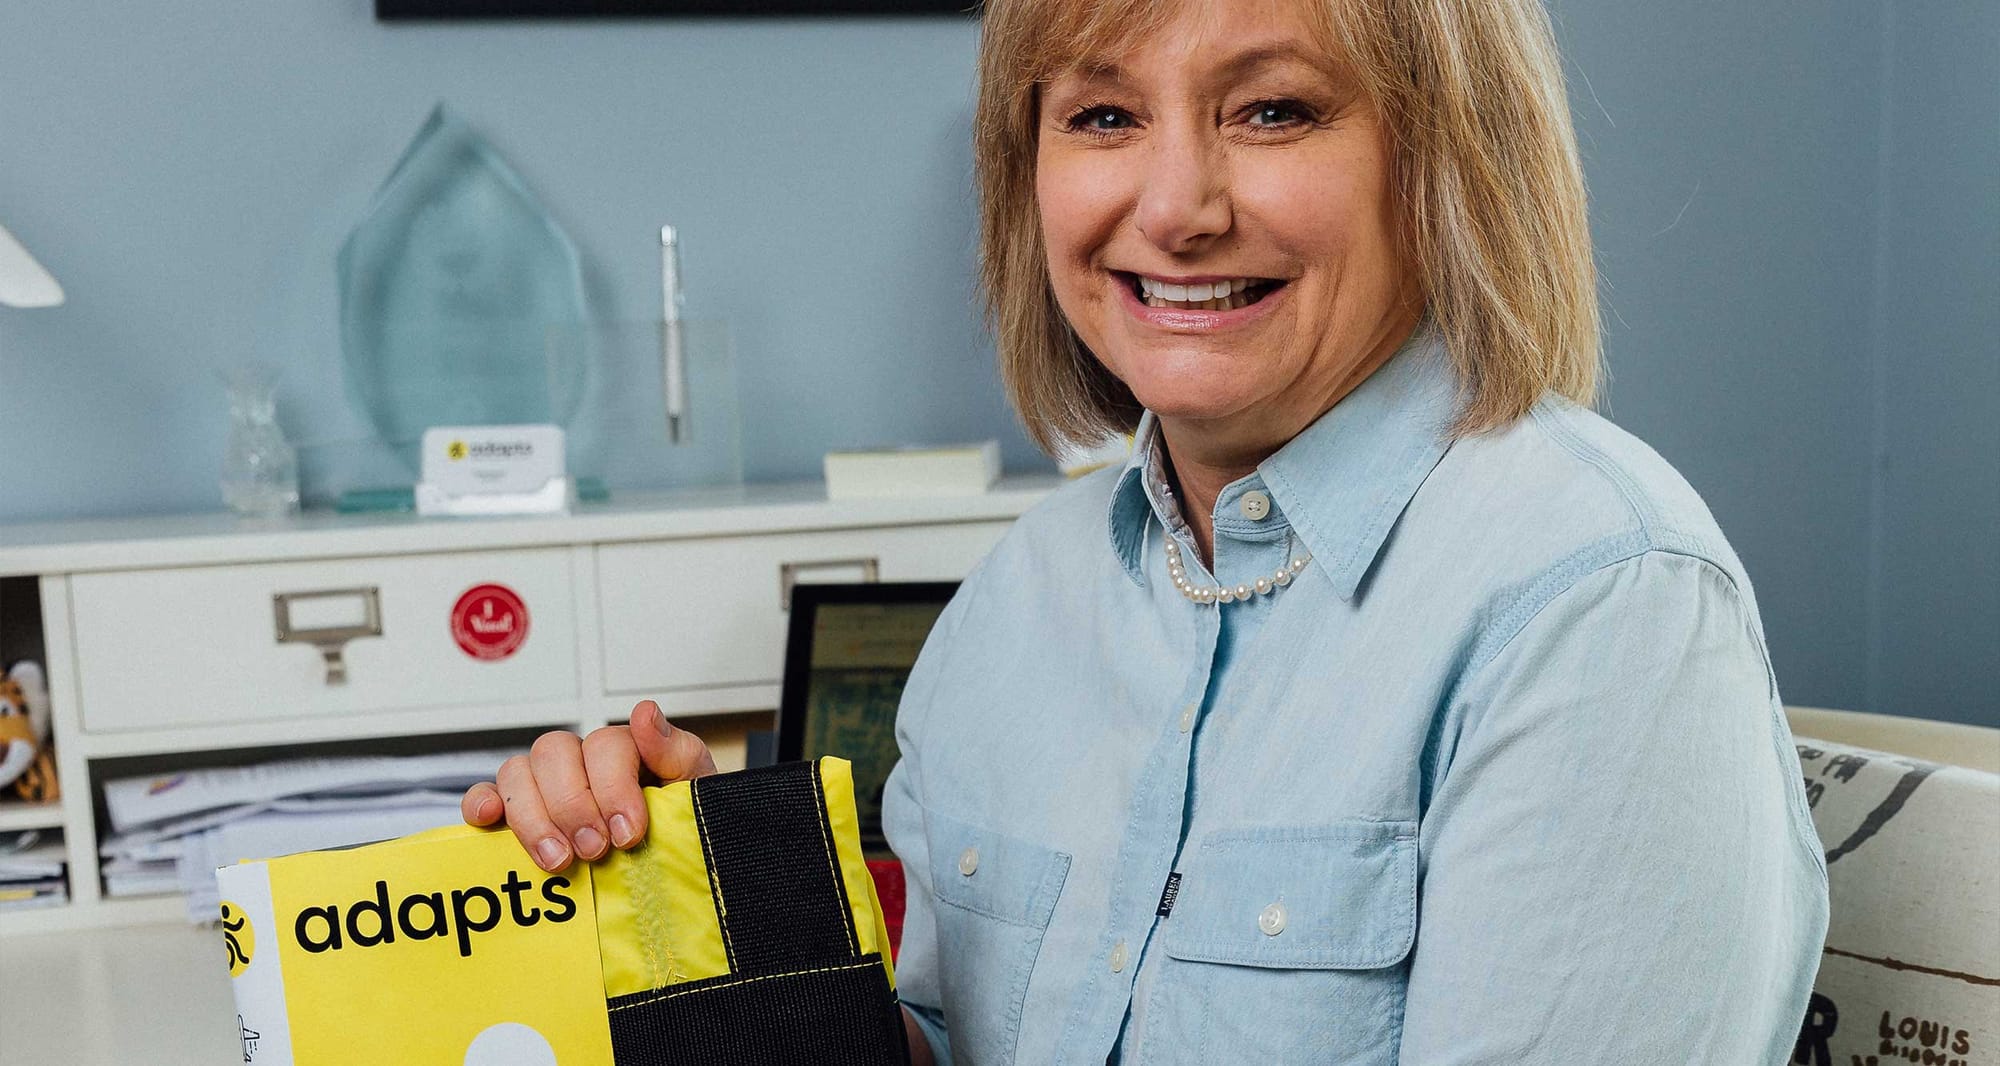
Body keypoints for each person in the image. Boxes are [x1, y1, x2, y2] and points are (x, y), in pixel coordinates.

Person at [462, 0, 1830, 1060]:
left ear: (1446, 155)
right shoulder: (1006, 612)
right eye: (1104, 118)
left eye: (1276, 109)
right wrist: (722, 915)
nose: (1175, 208)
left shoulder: (1598, 601)